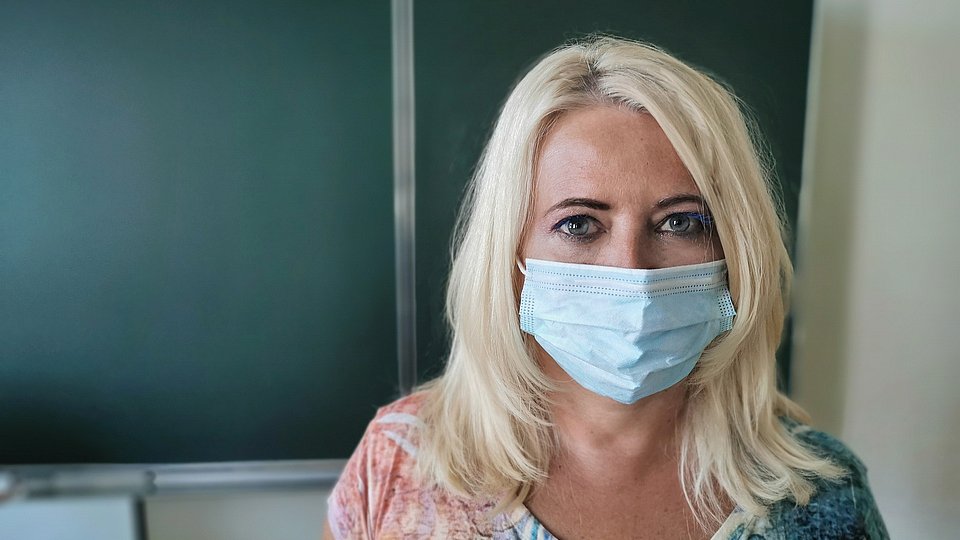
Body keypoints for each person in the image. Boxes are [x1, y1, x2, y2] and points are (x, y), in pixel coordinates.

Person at [325, 36, 888, 539]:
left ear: (735, 249)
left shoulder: (821, 498)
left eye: (682, 222)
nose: (632, 272)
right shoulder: (397, 465)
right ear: (512, 254)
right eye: (578, 224)